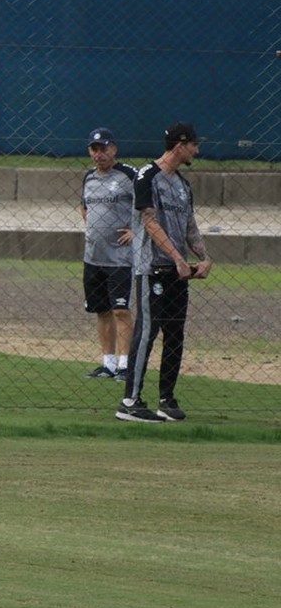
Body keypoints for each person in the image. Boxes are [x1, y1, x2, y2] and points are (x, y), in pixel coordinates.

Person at [117, 122, 213, 423]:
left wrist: (204, 257)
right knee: (147, 331)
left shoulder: (183, 186)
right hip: (152, 268)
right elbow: (149, 222)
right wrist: (177, 259)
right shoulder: (148, 176)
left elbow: (189, 226)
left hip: (178, 272)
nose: (197, 150)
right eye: (194, 145)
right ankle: (130, 401)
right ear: (180, 145)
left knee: (175, 335)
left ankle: (166, 399)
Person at [80, 127, 136, 382]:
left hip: (120, 258)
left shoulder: (129, 176)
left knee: (121, 311)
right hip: (93, 257)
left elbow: (149, 206)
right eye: (94, 149)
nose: (99, 154)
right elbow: (84, 207)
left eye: (103, 148)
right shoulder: (88, 178)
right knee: (102, 311)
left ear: (114, 149)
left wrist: (136, 231)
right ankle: (108, 364)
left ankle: (126, 365)